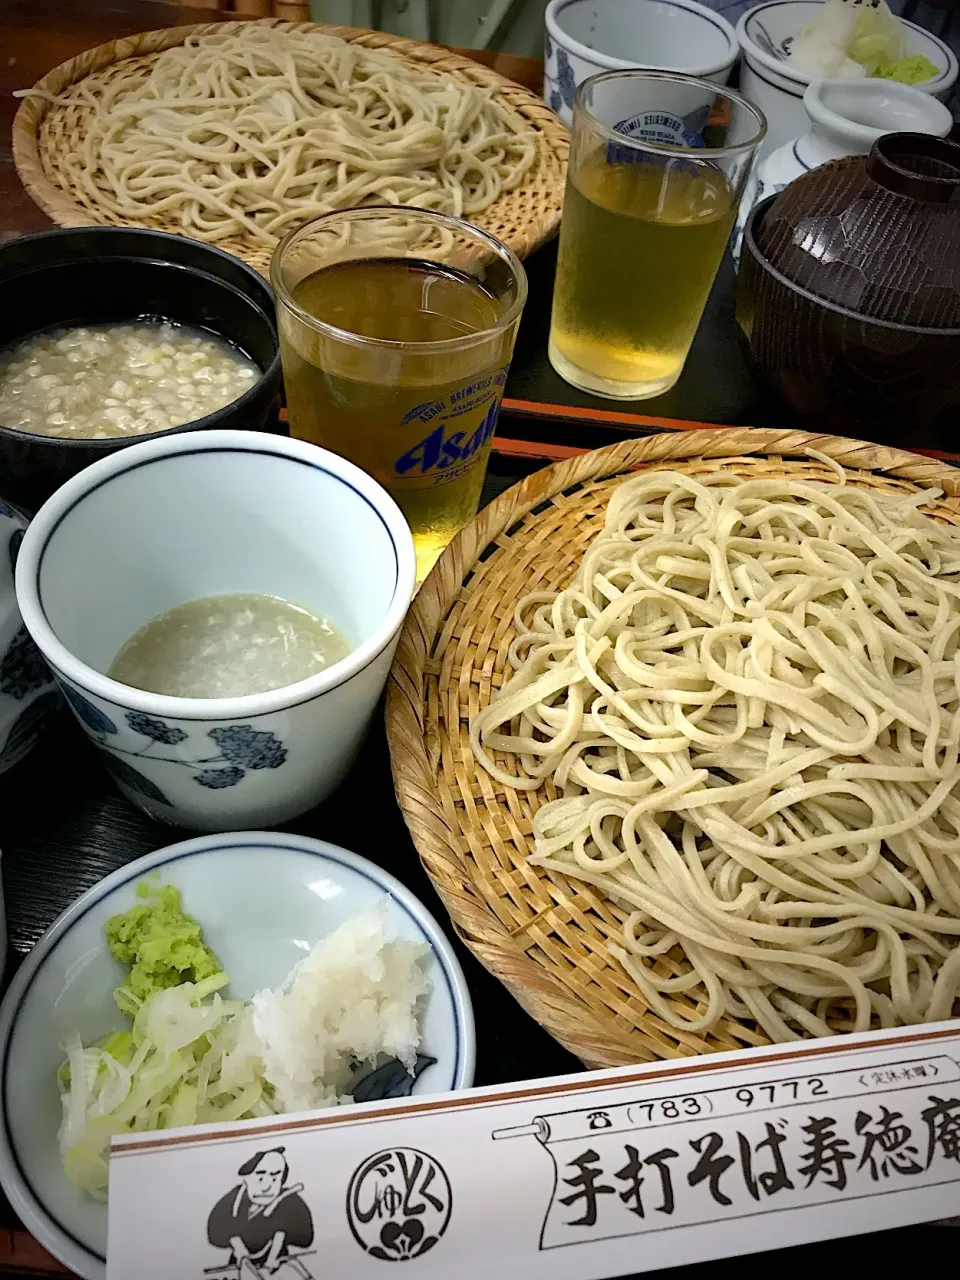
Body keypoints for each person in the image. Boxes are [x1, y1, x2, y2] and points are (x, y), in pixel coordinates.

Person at [206, 1148, 315, 1279]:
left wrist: (270, 1264)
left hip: (278, 1266)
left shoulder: (289, 1202)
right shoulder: (234, 1201)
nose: (266, 1187)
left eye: (275, 1179)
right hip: (241, 1268)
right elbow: (219, 1229)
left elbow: (303, 1236)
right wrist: (242, 1254)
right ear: (246, 1178)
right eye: (260, 1177)